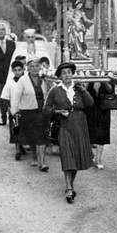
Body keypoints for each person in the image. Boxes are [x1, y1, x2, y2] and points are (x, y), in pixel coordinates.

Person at [43, 63, 94, 203]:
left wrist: (83, 90)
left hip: (79, 123)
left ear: (72, 74)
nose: (67, 75)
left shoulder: (78, 88)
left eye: (69, 72)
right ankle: (68, 188)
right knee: (67, 154)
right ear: (60, 75)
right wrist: (58, 112)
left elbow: (90, 103)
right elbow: (46, 109)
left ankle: (70, 184)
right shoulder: (55, 90)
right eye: (64, 73)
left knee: (77, 155)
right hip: (64, 124)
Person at [11, 57, 51, 171]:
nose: (35, 68)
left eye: (37, 66)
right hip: (28, 111)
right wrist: (14, 110)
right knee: (33, 136)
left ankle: (42, 162)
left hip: (41, 111)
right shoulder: (23, 80)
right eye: (32, 66)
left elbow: (49, 92)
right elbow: (16, 96)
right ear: (27, 67)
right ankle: (35, 157)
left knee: (42, 136)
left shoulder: (44, 80)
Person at [1, 59, 27, 159]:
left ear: (23, 69)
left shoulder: (26, 81)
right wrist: (8, 107)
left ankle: (22, 146)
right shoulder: (10, 83)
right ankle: (17, 150)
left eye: (19, 70)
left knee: (24, 129)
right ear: (12, 71)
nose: (17, 72)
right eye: (15, 70)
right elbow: (5, 96)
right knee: (15, 129)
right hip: (14, 109)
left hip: (25, 108)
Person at [85, 81, 115, 169]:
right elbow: (85, 91)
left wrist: (104, 81)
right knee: (89, 132)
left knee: (102, 134)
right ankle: (91, 155)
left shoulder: (107, 77)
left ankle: (98, 159)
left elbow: (110, 90)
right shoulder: (90, 78)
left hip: (103, 109)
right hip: (90, 109)